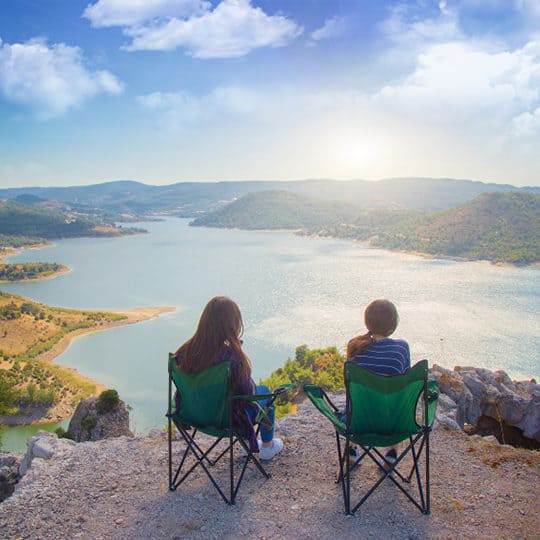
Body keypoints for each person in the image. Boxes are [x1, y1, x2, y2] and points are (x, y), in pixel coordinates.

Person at [173, 296, 283, 461]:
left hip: (192, 415)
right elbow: (247, 394)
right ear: (232, 324)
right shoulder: (231, 357)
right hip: (227, 421)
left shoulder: (182, 353)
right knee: (265, 393)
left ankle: (248, 445)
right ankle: (267, 447)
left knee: (239, 399)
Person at [346, 299, 410, 467]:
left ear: (367, 322)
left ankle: (352, 451)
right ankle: (391, 454)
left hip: (358, 422)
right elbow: (405, 384)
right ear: (392, 326)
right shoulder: (402, 348)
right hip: (393, 424)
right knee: (396, 400)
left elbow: (350, 385)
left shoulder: (354, 346)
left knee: (358, 400)